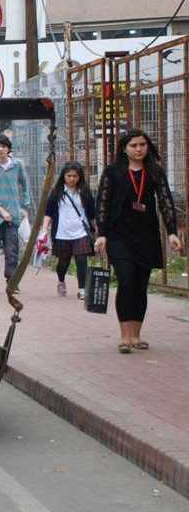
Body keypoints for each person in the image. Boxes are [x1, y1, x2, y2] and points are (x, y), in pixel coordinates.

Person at [94, 130, 181, 354]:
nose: (139, 149)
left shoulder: (155, 171)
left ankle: (136, 335)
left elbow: (166, 201)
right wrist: (101, 233)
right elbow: (102, 203)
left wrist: (172, 232)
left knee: (141, 286)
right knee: (126, 280)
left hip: (146, 236)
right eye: (133, 145)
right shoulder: (113, 172)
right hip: (118, 236)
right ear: (125, 148)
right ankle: (125, 337)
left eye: (142, 144)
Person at [0, 134, 30, 295]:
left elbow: (25, 184)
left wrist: (24, 206)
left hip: (13, 216)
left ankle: (12, 282)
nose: (1, 149)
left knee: (12, 251)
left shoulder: (17, 165)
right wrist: (0, 209)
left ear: (9, 149)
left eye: (4, 146)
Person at [39, 162, 96, 300]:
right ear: (63, 176)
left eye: (75, 176)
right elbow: (49, 213)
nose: (72, 179)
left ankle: (82, 289)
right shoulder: (57, 192)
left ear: (79, 177)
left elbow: (92, 214)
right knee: (63, 263)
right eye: (69, 176)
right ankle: (61, 280)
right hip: (62, 233)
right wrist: (44, 230)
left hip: (81, 232)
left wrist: (98, 233)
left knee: (81, 260)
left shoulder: (84, 192)